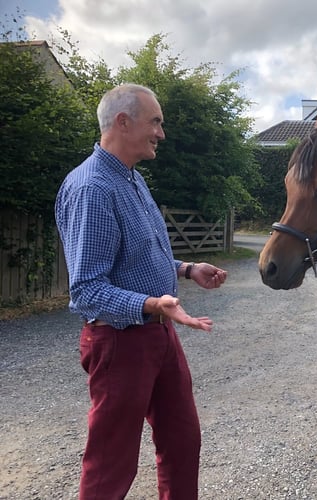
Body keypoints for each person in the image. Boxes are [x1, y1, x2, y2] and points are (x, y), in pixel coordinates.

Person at [55, 83, 229, 499]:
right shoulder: (92, 189)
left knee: (183, 441)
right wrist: (153, 304)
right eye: (155, 122)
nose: (161, 134)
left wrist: (187, 269)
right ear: (122, 122)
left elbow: (136, 258)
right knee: (112, 462)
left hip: (159, 332)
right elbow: (87, 289)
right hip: (118, 341)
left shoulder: (130, 178)